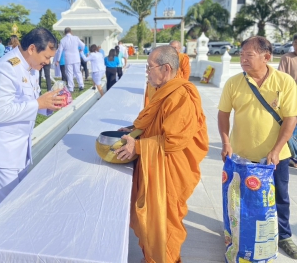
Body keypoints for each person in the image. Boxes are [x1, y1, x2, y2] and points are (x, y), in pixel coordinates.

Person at [115, 45, 208, 263]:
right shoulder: (163, 91)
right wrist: (134, 131)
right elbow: (156, 125)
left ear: (166, 69)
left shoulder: (182, 95)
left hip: (170, 172)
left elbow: (173, 140)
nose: (147, 72)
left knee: (164, 225)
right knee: (151, 224)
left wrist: (137, 147)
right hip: (158, 167)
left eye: (150, 67)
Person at [218, 36, 297, 259]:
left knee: (278, 197)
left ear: (267, 57)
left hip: (276, 156)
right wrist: (226, 142)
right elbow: (223, 114)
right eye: (241, 54)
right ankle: (235, 232)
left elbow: (291, 118)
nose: (242, 59)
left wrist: (275, 149)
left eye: (248, 55)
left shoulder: (284, 82)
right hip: (241, 156)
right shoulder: (234, 83)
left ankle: (283, 235)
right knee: (238, 197)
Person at [0, 27, 64, 213]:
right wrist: (38, 103)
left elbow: (27, 103)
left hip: (19, 151)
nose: (48, 62)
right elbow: (0, 112)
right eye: (46, 57)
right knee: (3, 212)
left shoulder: (31, 68)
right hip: (1, 153)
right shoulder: (5, 68)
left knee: (17, 208)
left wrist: (50, 105)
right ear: (31, 49)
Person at [55, 27, 85, 92]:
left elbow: (60, 51)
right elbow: (83, 45)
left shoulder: (63, 40)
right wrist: (81, 50)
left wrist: (58, 60)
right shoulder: (76, 38)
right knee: (78, 72)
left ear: (65, 33)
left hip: (68, 59)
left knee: (69, 73)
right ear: (71, 32)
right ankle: (81, 85)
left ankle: (71, 88)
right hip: (76, 58)